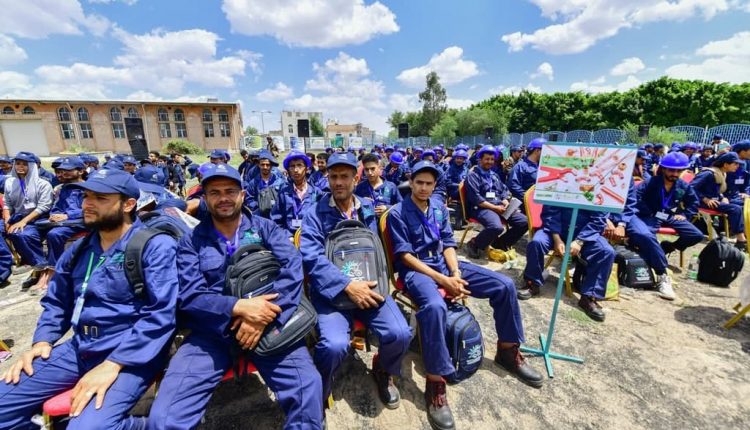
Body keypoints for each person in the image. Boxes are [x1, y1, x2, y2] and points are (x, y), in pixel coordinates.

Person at [0, 169, 179, 430]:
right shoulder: (80, 249)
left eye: (101, 198)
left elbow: (161, 314)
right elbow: (57, 302)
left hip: (132, 355)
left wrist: (113, 364)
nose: (87, 204)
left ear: (128, 204)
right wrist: (42, 340)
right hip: (81, 347)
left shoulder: (154, 246)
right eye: (86, 196)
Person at [147, 163, 322, 429]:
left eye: (230, 191)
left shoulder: (266, 229)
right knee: (165, 419)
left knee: (308, 390)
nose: (223, 198)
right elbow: (191, 296)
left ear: (242, 195)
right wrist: (239, 307)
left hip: (269, 324)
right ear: (204, 199)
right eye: (215, 192)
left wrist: (262, 317)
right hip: (213, 334)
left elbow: (293, 268)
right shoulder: (190, 242)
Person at [387, 161, 542, 430]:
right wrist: (443, 281)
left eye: (429, 183)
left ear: (435, 185)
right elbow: (405, 256)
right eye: (419, 182)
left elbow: (448, 243)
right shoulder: (398, 213)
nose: (424, 188)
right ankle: (436, 383)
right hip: (417, 272)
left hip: (446, 265)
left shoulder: (438, 207)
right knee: (434, 307)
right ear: (411, 182)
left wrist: (456, 272)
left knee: (504, 285)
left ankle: (508, 351)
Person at [299, 152, 411, 410]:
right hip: (332, 294)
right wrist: (347, 286)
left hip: (369, 288)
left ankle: (383, 369)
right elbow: (311, 258)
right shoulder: (314, 213)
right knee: (334, 346)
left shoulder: (367, 209)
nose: (338, 182)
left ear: (355, 178)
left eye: (344, 176)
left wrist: (377, 283)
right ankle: (321, 389)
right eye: (333, 176)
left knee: (400, 333)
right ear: (327, 178)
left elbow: (376, 249)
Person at [624, 152, 702, 300]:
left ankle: (668, 247)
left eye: (679, 171)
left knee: (696, 235)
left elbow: (694, 202)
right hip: (648, 215)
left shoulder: (683, 185)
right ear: (664, 169)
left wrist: (685, 214)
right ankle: (662, 274)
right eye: (671, 170)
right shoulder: (651, 182)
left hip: (669, 215)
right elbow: (636, 199)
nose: (675, 173)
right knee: (645, 235)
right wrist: (649, 211)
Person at [520, 204, 615, 320]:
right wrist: (557, 239)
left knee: (606, 252)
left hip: (586, 235)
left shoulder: (600, 191)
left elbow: (598, 220)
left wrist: (580, 241)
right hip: (554, 232)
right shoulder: (559, 185)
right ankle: (532, 283)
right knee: (536, 243)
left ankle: (589, 297)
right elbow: (549, 213)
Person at [29, 157, 87, 294]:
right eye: (60, 171)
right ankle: (41, 269)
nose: (62, 174)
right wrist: (54, 215)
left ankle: (52, 273)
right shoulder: (63, 189)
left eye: (67, 171)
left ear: (80, 171)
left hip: (81, 221)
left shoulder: (88, 187)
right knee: (31, 232)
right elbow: (57, 207)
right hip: (64, 223)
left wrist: (68, 215)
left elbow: (89, 208)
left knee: (54, 234)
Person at [464, 145, 528, 260]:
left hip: (499, 206)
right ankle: (475, 243)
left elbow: (503, 191)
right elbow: (476, 198)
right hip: (480, 208)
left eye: (492, 159)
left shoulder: (494, 175)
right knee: (496, 227)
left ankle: (500, 243)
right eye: (487, 159)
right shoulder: (473, 175)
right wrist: (495, 208)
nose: (490, 162)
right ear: (480, 159)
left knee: (524, 222)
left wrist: (505, 201)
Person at [2, 152, 53, 273]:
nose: (20, 167)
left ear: (32, 166)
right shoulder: (9, 183)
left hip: (39, 219)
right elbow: (7, 204)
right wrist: (7, 220)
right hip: (17, 218)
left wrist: (23, 222)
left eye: (25, 164)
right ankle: (7, 266)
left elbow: (43, 207)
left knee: (20, 233)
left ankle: (38, 263)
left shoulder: (43, 184)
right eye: (18, 163)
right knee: (7, 230)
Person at [692, 151, 747, 249]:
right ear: (726, 164)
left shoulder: (722, 173)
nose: (737, 166)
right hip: (701, 202)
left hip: (715, 201)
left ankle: (740, 237)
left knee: (740, 206)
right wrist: (704, 199)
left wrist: (723, 197)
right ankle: (741, 240)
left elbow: (715, 191)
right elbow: (690, 188)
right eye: (735, 164)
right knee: (736, 209)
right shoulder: (709, 173)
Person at [271, 151, 322, 237]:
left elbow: (322, 220)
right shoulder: (283, 193)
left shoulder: (316, 193)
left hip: (312, 239)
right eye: (292, 166)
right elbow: (276, 221)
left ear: (306, 169)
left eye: (299, 165)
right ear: (288, 170)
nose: (295, 170)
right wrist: (287, 237)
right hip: (289, 239)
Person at [245, 150, 284, 214]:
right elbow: (249, 198)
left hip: (277, 216)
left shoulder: (280, 182)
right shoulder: (253, 183)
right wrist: (259, 206)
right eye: (262, 164)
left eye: (267, 165)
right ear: (258, 165)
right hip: (260, 216)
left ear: (271, 166)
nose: (265, 167)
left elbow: (285, 198)